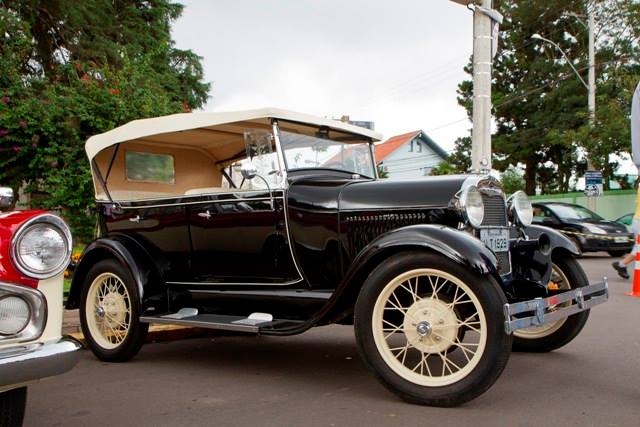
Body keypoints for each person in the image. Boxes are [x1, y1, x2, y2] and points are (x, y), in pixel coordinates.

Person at [612, 80, 640, 279]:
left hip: (637, 221)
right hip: (639, 222)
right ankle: (621, 264)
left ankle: (621, 264)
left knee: (637, 250)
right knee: (637, 250)